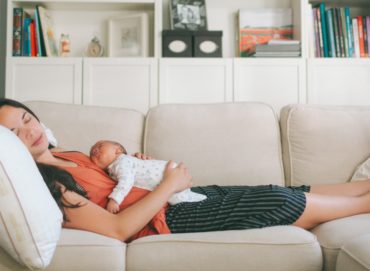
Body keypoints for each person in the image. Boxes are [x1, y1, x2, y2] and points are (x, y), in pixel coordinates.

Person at [1, 98, 370, 244]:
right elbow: (116, 228)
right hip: (168, 219)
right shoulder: (45, 186)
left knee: (269, 188)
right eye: (15, 132)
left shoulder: (67, 154)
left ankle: (364, 187)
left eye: (27, 118)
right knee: (277, 200)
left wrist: (132, 162)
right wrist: (168, 185)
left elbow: (110, 176)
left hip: (173, 197)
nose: (30, 131)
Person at [89, 139, 206, 213]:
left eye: (100, 146)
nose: (95, 149)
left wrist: (115, 200)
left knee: (181, 201)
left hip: (167, 176)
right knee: (190, 198)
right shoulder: (114, 168)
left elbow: (127, 180)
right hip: (170, 177)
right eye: (92, 152)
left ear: (118, 150)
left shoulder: (121, 162)